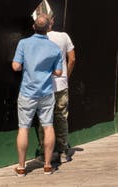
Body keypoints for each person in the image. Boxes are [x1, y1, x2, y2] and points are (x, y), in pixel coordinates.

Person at [12, 14, 63, 177]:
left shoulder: (23, 43)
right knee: (48, 126)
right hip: (46, 93)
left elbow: (16, 66)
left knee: (23, 129)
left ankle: (21, 168)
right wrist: (49, 70)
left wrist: (25, 67)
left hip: (27, 92)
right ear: (49, 28)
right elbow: (59, 72)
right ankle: (47, 166)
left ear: (34, 26)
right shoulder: (55, 49)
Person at [37, 15, 76, 162]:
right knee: (61, 118)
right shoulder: (63, 36)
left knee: (44, 119)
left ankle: (44, 153)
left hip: (43, 85)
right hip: (61, 84)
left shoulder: (36, 39)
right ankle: (63, 152)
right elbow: (72, 59)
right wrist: (66, 76)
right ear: (52, 21)